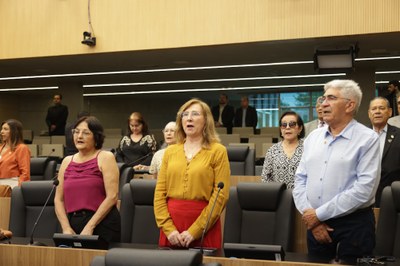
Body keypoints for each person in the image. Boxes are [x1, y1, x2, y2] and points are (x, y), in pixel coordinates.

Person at [293, 80, 380, 264]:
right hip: (315, 225)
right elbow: (300, 180)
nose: (323, 103)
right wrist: (313, 219)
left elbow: (364, 189)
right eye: (323, 98)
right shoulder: (312, 138)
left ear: (350, 105)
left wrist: (319, 215)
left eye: (331, 98)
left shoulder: (368, 139)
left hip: (354, 227)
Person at [154, 98, 230, 249]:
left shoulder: (218, 151)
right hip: (171, 226)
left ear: (206, 120)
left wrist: (194, 231)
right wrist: (169, 229)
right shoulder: (170, 152)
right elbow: (159, 193)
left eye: (195, 114)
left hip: (205, 225)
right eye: (185, 114)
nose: (189, 118)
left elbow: (220, 196)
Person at [54, 116, 121, 243]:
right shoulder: (67, 161)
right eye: (76, 131)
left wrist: (91, 226)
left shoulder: (105, 157)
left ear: (96, 137)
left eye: (85, 133)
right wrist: (66, 227)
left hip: (102, 222)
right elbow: (58, 199)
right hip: (72, 223)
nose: (79, 136)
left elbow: (112, 196)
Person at [368, 97, 400, 207]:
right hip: (365, 198)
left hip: (393, 196)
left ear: (390, 112)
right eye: (374, 109)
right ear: (369, 113)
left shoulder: (398, 135)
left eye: (381, 108)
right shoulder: (360, 136)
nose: (377, 111)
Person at [261, 111, 304, 189]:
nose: (287, 127)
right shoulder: (272, 150)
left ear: (300, 128)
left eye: (292, 124)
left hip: (302, 198)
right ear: (281, 129)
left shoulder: (308, 148)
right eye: (284, 125)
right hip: (278, 197)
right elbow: (265, 178)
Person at [0, 119, 31, 187]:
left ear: (14, 132)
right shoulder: (0, 148)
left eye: (5, 129)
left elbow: (25, 174)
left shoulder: (22, 148)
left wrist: (18, 189)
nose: (1, 132)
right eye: (2, 129)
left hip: (12, 184)